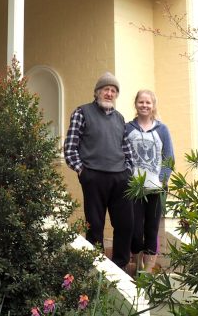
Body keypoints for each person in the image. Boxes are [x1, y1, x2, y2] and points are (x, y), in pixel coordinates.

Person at [63, 72, 133, 270]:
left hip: (120, 177)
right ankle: (95, 268)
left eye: (113, 91)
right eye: (106, 89)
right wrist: (82, 171)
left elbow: (127, 149)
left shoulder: (120, 119)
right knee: (95, 225)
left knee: (125, 225)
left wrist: (128, 171)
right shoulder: (82, 112)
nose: (109, 93)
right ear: (97, 92)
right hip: (93, 176)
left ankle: (120, 267)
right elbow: (70, 147)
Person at [125, 89, 174, 275]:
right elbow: (122, 156)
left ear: (153, 105)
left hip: (156, 190)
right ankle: (137, 268)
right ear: (136, 104)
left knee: (151, 230)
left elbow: (169, 158)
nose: (144, 105)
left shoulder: (162, 129)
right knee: (135, 230)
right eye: (141, 102)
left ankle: (147, 272)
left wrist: (162, 181)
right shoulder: (128, 129)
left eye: (148, 102)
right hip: (134, 189)